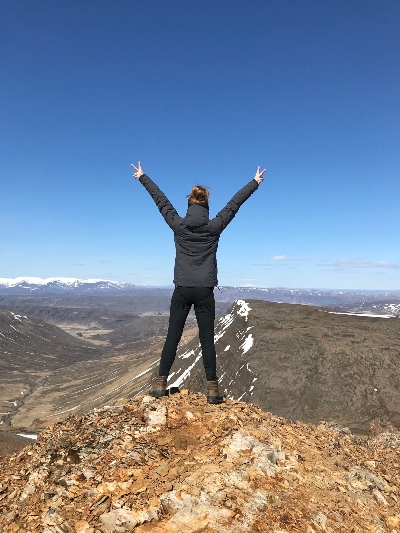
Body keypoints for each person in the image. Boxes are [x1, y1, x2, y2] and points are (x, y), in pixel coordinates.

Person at [131, 161, 265, 403]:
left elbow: (161, 202)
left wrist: (143, 177)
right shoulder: (214, 227)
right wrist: (254, 183)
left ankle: (160, 384)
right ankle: (212, 390)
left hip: (181, 289)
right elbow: (234, 205)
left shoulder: (178, 226)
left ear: (189, 204)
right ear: (206, 206)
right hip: (205, 291)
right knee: (206, 339)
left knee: (173, 335)